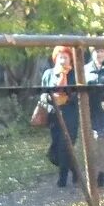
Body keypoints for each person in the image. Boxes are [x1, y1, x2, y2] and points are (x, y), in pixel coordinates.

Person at [39, 45, 81, 189]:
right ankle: (76, 172)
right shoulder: (48, 74)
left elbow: (78, 96)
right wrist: (51, 98)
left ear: (70, 59)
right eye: (60, 57)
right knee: (55, 151)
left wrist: (66, 99)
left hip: (70, 116)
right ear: (55, 58)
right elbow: (43, 94)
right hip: (54, 116)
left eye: (66, 57)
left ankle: (62, 179)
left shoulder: (74, 75)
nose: (63, 60)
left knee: (65, 147)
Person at [83, 46, 104, 189]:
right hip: (91, 112)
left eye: (102, 51)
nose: (99, 54)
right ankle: (94, 175)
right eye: (96, 51)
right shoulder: (85, 69)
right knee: (93, 144)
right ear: (92, 53)